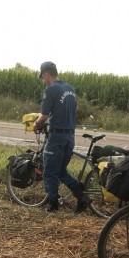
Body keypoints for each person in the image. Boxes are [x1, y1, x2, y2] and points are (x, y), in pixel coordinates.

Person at [32, 61, 90, 213]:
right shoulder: (70, 89)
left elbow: (44, 116)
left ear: (46, 74)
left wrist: (36, 125)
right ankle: (82, 197)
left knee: (49, 172)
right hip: (70, 137)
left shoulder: (50, 90)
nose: (43, 80)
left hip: (56, 137)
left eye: (43, 77)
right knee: (61, 171)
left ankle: (53, 205)